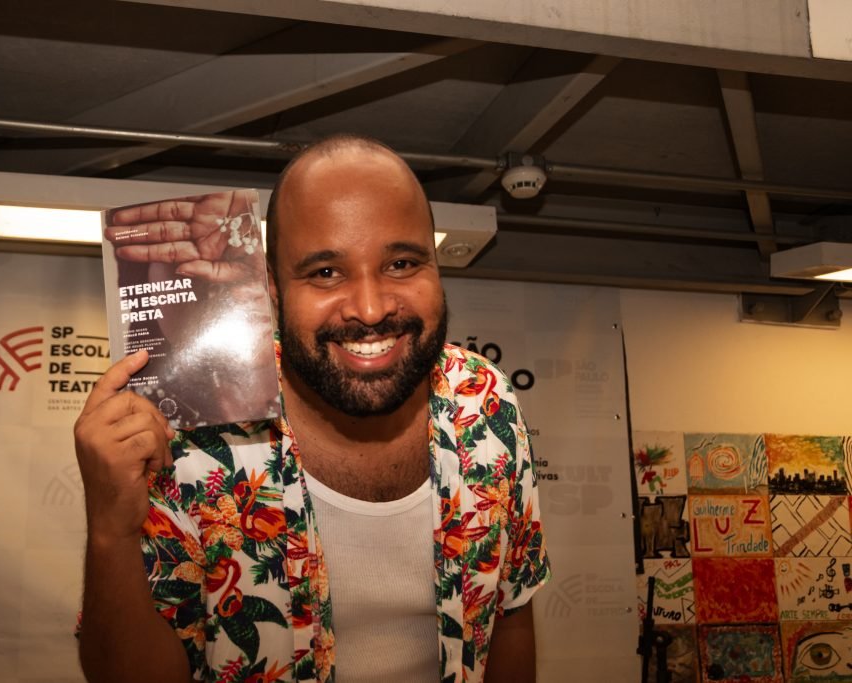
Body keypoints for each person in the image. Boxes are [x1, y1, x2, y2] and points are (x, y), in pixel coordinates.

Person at [74, 134, 551, 683]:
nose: (370, 309)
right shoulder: (193, 435)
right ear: (271, 289)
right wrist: (110, 530)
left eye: (401, 262)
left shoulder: (486, 401)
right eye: (325, 272)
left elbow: (511, 617)